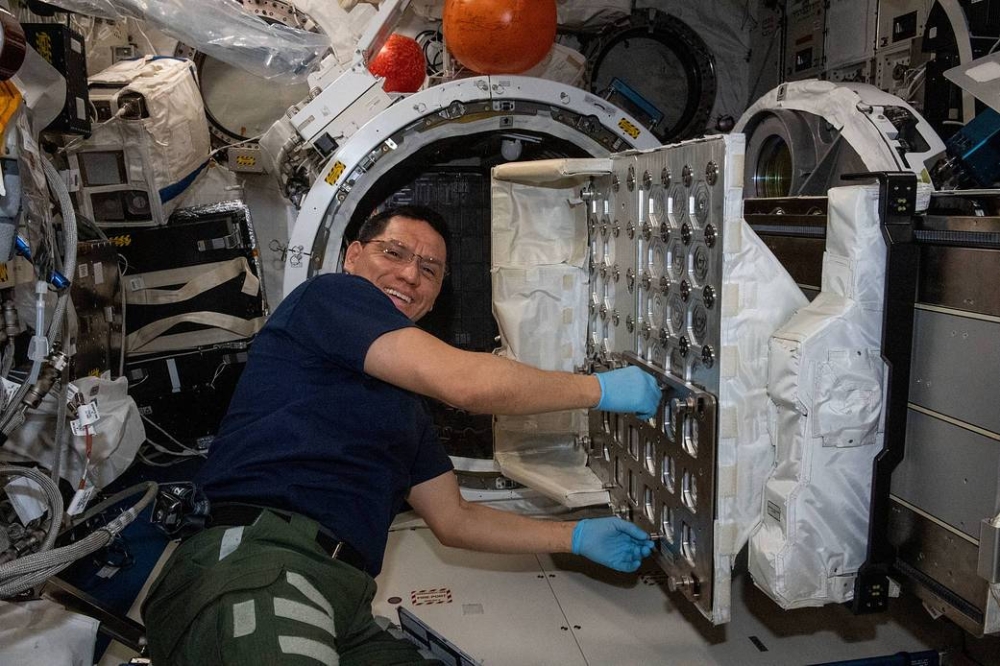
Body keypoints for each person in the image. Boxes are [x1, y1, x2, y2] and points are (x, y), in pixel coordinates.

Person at [142, 205, 661, 665]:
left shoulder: (404, 413)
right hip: (260, 561)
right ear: (352, 256)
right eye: (394, 252)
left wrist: (573, 537)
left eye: (429, 270)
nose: (410, 274)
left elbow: (455, 520)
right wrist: (600, 389)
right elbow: (466, 384)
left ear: (434, 297)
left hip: (343, 597)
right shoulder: (328, 298)